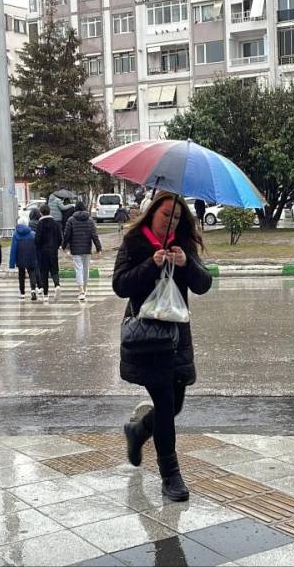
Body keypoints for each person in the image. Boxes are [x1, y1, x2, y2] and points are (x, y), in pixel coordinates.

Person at [115, 192, 212, 502]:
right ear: (153, 211)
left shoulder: (182, 242)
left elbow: (203, 284)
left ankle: (139, 431)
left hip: (177, 338)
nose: (171, 220)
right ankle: (171, 475)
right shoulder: (134, 242)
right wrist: (150, 265)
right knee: (166, 402)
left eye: (177, 216)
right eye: (166, 214)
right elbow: (120, 286)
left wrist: (185, 263)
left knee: (175, 405)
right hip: (147, 338)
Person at [62, 202, 102, 301]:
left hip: (75, 248)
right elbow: (94, 235)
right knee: (86, 269)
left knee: (78, 269)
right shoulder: (90, 220)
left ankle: (81, 291)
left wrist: (63, 246)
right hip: (87, 248)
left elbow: (67, 234)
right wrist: (98, 248)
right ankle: (85, 288)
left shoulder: (71, 220)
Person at [33, 204, 63, 302]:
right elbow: (60, 238)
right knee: (54, 270)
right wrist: (56, 246)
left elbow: (37, 240)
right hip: (53, 251)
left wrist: (38, 246)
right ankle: (57, 285)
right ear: (49, 211)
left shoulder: (40, 225)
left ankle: (46, 295)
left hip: (42, 253)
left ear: (41, 213)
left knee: (44, 273)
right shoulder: (55, 224)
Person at [9, 221, 42, 301]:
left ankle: (22, 293)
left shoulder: (16, 235)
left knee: (21, 275)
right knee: (32, 274)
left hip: (20, 258)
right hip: (31, 257)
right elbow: (37, 247)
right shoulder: (32, 234)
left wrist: (11, 264)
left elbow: (13, 250)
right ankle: (33, 291)